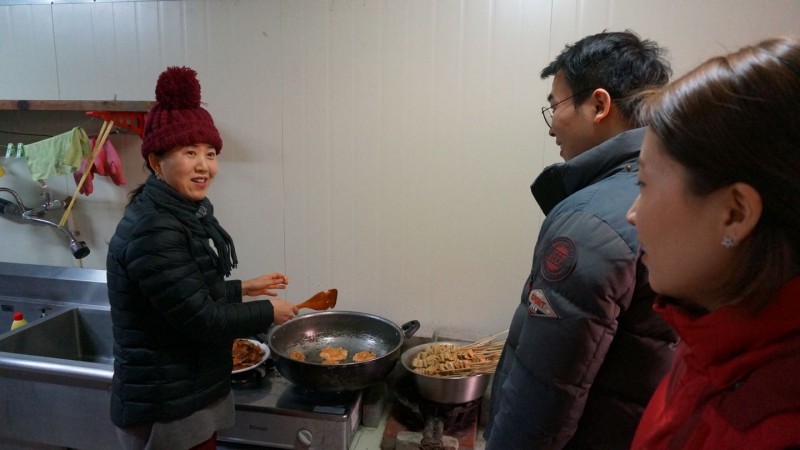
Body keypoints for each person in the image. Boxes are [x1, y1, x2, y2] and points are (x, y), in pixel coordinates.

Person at [484, 31, 678, 449]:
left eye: (555, 105)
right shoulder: (666, 189)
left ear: (599, 105)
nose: (552, 125)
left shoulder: (591, 222)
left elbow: (542, 398)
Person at [106, 66, 298, 450]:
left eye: (210, 153)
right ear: (157, 162)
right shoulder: (155, 228)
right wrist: (268, 311)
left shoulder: (179, 214)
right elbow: (202, 319)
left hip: (186, 390)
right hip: (168, 404)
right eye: (189, 152)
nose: (204, 165)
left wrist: (242, 288)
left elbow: (184, 294)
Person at [628, 36, 800, 449]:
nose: (632, 214)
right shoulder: (712, 339)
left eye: (644, 184)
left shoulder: (773, 428)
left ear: (735, 213)